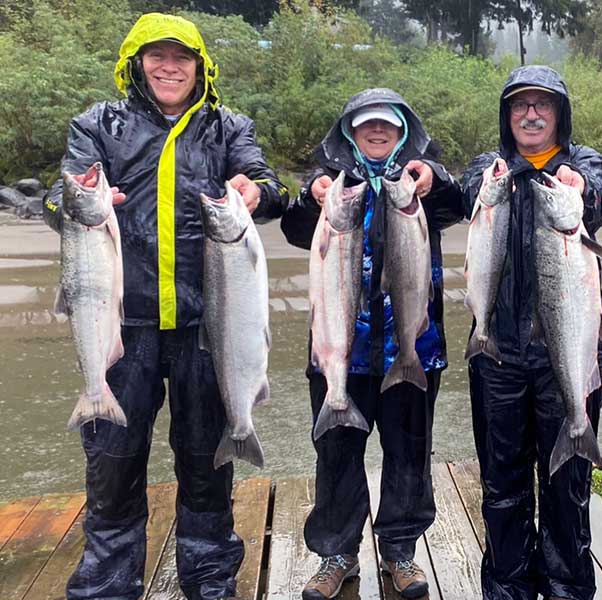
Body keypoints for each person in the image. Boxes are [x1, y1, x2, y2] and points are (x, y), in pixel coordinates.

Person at [43, 12, 288, 600]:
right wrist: (76, 202)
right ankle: (107, 580)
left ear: (202, 66)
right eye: (158, 56)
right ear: (137, 63)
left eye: (183, 57)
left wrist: (257, 191)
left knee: (205, 460)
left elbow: (270, 186)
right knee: (114, 459)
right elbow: (57, 199)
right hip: (123, 322)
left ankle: (208, 575)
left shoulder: (229, 127)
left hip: (210, 321)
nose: (170, 66)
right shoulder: (98, 123)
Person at [280, 88, 464, 600]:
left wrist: (437, 178)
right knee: (336, 455)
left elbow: (461, 203)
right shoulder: (331, 186)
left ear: (403, 131)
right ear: (349, 133)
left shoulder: (422, 182)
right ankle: (337, 554)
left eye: (387, 125)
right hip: (340, 353)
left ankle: (400, 551)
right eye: (366, 126)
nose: (377, 132)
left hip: (413, 348)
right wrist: (309, 196)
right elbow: (295, 228)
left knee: (409, 455)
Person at [461, 65, 602, 600]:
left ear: (559, 114)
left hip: (568, 357)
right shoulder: (490, 169)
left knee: (567, 487)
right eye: (519, 105)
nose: (530, 114)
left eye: (541, 105)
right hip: (497, 355)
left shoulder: (583, 164)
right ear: (508, 116)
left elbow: (598, 199)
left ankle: (568, 589)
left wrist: (580, 189)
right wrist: (479, 184)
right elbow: (463, 195)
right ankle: (507, 589)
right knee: (502, 485)